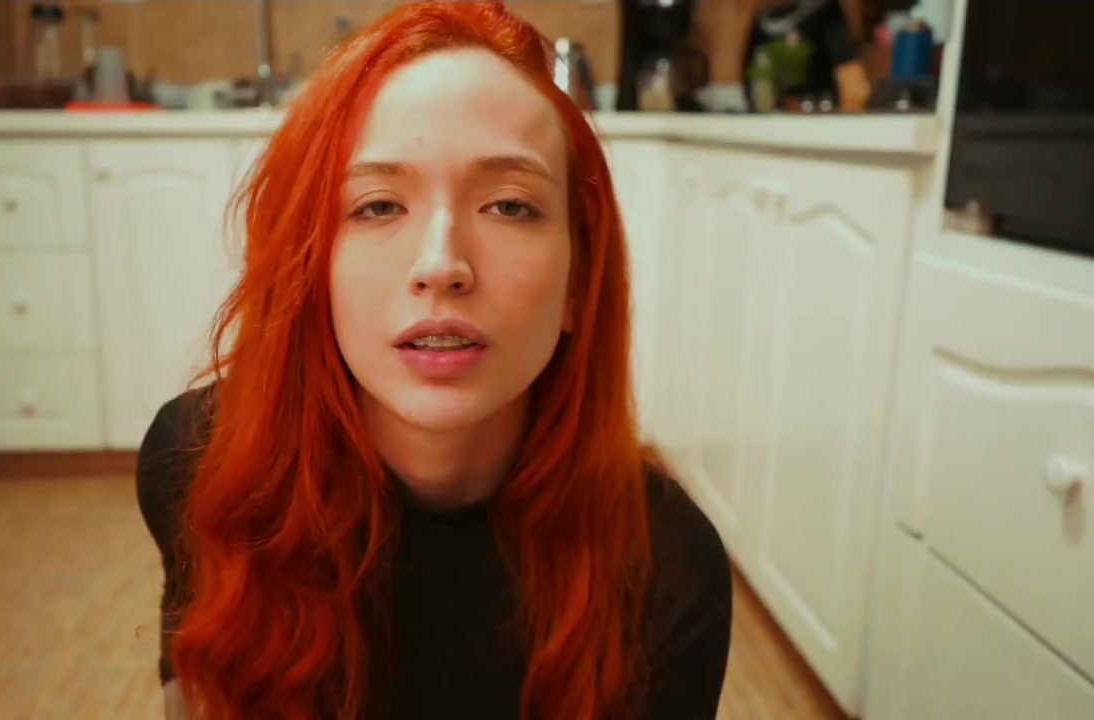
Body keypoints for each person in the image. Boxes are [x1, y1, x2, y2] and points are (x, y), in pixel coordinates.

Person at [135, 2, 732, 719]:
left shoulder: (668, 569)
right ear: (309, 269)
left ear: (579, 283)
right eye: (379, 206)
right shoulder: (200, 462)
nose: (441, 264)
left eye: (510, 206)